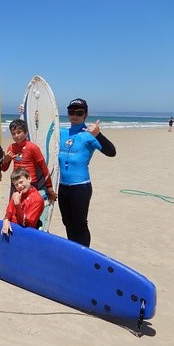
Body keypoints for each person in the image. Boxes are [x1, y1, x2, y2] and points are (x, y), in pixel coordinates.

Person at [58, 98, 116, 247]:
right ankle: (73, 249)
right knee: (67, 222)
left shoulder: (89, 135)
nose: (75, 115)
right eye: (72, 111)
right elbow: (37, 131)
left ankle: (84, 254)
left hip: (80, 187)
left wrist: (98, 135)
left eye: (79, 112)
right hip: (63, 186)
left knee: (80, 223)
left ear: (86, 114)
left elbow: (111, 152)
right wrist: (26, 113)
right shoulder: (61, 133)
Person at [1, 119, 57, 202]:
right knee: (14, 209)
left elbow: (43, 168)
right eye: (13, 133)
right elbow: (4, 169)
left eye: (19, 132)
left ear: (26, 133)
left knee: (29, 210)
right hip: (15, 183)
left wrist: (49, 187)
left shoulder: (32, 147)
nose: (16, 135)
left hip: (30, 183)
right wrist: (5, 160)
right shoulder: (11, 147)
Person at [1, 168, 45, 234]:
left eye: (21, 182)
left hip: (26, 233)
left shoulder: (37, 199)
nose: (19, 186)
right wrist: (6, 219)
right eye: (16, 184)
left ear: (29, 179)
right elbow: (9, 212)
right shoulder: (16, 193)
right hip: (12, 228)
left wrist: (17, 204)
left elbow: (25, 224)